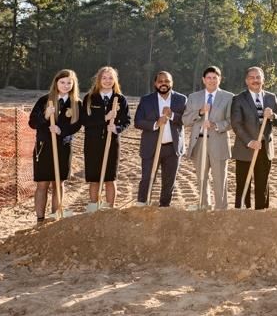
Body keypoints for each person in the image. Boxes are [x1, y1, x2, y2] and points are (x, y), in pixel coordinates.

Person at [29, 69, 83, 223]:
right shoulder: (44, 100)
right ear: (56, 83)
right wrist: (45, 116)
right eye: (62, 82)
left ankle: (55, 217)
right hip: (44, 147)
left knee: (58, 183)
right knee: (42, 184)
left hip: (63, 148)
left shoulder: (76, 103)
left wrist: (61, 130)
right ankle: (40, 219)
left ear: (73, 85)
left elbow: (78, 125)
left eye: (69, 83)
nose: (66, 85)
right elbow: (32, 122)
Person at [182, 66, 234, 210]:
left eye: (215, 78)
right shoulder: (194, 97)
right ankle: (204, 205)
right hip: (199, 142)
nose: (212, 80)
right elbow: (185, 120)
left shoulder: (229, 97)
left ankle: (221, 207)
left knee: (219, 178)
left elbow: (232, 121)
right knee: (201, 177)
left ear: (220, 79)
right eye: (209, 78)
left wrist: (215, 125)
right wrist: (199, 112)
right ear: (204, 80)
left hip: (218, 142)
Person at [133, 71, 187, 207]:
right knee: (147, 178)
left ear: (172, 83)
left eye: (167, 81)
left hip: (172, 148)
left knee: (169, 181)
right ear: (155, 83)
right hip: (151, 147)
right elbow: (138, 121)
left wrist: (173, 115)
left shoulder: (181, 99)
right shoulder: (146, 100)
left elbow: (187, 120)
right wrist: (156, 124)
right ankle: (142, 205)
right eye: (160, 81)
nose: (164, 83)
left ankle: (164, 206)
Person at [230, 66, 277, 209]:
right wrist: (250, 141)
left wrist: (272, 116)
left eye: (258, 77)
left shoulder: (271, 98)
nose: (255, 80)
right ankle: (242, 214)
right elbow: (236, 123)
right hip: (245, 149)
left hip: (264, 149)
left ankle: (261, 213)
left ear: (263, 80)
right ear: (246, 81)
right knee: (243, 183)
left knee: (262, 184)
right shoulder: (239, 99)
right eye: (252, 77)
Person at [81, 66, 130, 209]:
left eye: (110, 78)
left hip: (112, 143)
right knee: (94, 179)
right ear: (99, 79)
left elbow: (126, 120)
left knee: (110, 178)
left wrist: (117, 128)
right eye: (104, 78)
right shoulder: (90, 98)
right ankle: (93, 207)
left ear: (115, 80)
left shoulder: (120, 99)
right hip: (93, 143)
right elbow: (85, 121)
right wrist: (104, 118)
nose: (107, 81)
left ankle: (109, 208)